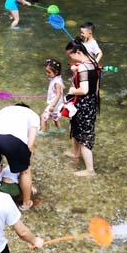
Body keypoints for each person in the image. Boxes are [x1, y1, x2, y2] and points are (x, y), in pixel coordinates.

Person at [0, 103, 40, 211]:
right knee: (25, 171)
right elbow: (30, 145)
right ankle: (26, 203)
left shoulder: (6, 109)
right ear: (28, 109)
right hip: (13, 141)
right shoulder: (33, 115)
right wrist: (24, 161)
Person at [64, 39, 101, 177]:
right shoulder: (93, 60)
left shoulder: (83, 67)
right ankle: (76, 154)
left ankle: (90, 170)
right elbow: (94, 86)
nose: (71, 59)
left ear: (78, 52)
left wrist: (73, 90)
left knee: (84, 136)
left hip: (83, 104)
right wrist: (75, 71)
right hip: (91, 102)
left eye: (71, 55)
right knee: (76, 129)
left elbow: (84, 89)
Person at [41, 58, 64, 132]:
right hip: (58, 104)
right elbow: (61, 89)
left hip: (54, 104)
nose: (47, 73)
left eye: (49, 72)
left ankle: (43, 132)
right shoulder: (58, 78)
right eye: (46, 71)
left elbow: (58, 94)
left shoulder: (57, 82)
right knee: (55, 117)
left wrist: (53, 105)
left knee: (43, 116)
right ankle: (59, 130)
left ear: (56, 72)